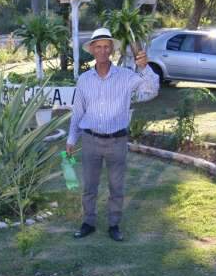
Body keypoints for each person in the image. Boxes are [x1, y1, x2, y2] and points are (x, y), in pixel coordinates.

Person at [66, 27, 159, 242]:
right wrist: (72, 138)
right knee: (89, 186)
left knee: (116, 187)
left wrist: (144, 67)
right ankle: (88, 222)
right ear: (91, 50)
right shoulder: (84, 80)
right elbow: (78, 111)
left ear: (111, 50)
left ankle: (114, 224)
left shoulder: (126, 76)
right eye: (97, 46)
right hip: (90, 140)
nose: (102, 50)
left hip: (117, 141)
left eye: (106, 46)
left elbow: (151, 90)